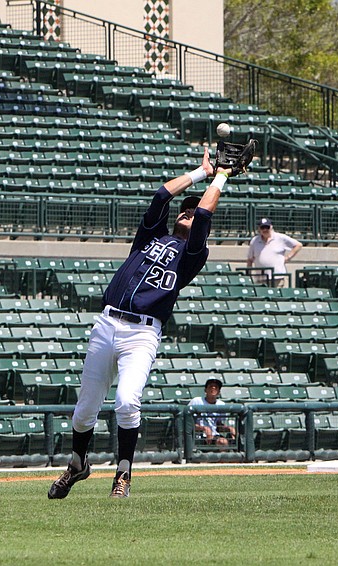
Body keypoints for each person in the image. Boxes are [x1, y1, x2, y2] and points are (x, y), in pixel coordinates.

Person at [48, 144, 251, 500]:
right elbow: (161, 195)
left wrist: (221, 176)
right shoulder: (151, 237)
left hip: (142, 332)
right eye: (184, 210)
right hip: (107, 323)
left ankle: (123, 474)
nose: (187, 212)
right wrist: (202, 172)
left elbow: (204, 213)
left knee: (127, 402)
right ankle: (78, 464)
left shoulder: (192, 256)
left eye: (192, 211)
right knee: (84, 413)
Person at [246, 218, 303, 287]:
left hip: (277, 278)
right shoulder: (254, 241)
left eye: (267, 227)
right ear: (259, 229)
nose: (265, 230)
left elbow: (298, 245)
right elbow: (250, 260)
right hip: (261, 278)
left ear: (271, 227)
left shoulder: (280, 238)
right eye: (262, 227)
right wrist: (248, 276)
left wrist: (288, 257)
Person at [188, 378, 236, 446]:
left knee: (223, 442)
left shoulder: (221, 405)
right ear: (205, 390)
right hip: (196, 436)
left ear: (219, 392)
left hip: (214, 436)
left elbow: (218, 425)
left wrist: (229, 429)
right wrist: (204, 428)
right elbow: (187, 423)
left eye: (216, 387)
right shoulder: (196, 401)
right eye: (210, 386)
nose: (213, 388)